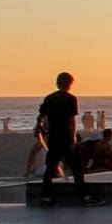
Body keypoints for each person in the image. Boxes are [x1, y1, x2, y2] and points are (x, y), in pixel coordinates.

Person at [36, 72, 99, 206]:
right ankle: (85, 197)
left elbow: (40, 117)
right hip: (66, 138)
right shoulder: (71, 99)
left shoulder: (49, 98)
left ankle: (45, 197)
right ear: (69, 84)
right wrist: (73, 139)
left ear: (57, 82)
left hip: (53, 138)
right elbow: (72, 121)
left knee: (50, 168)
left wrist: (40, 129)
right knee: (77, 168)